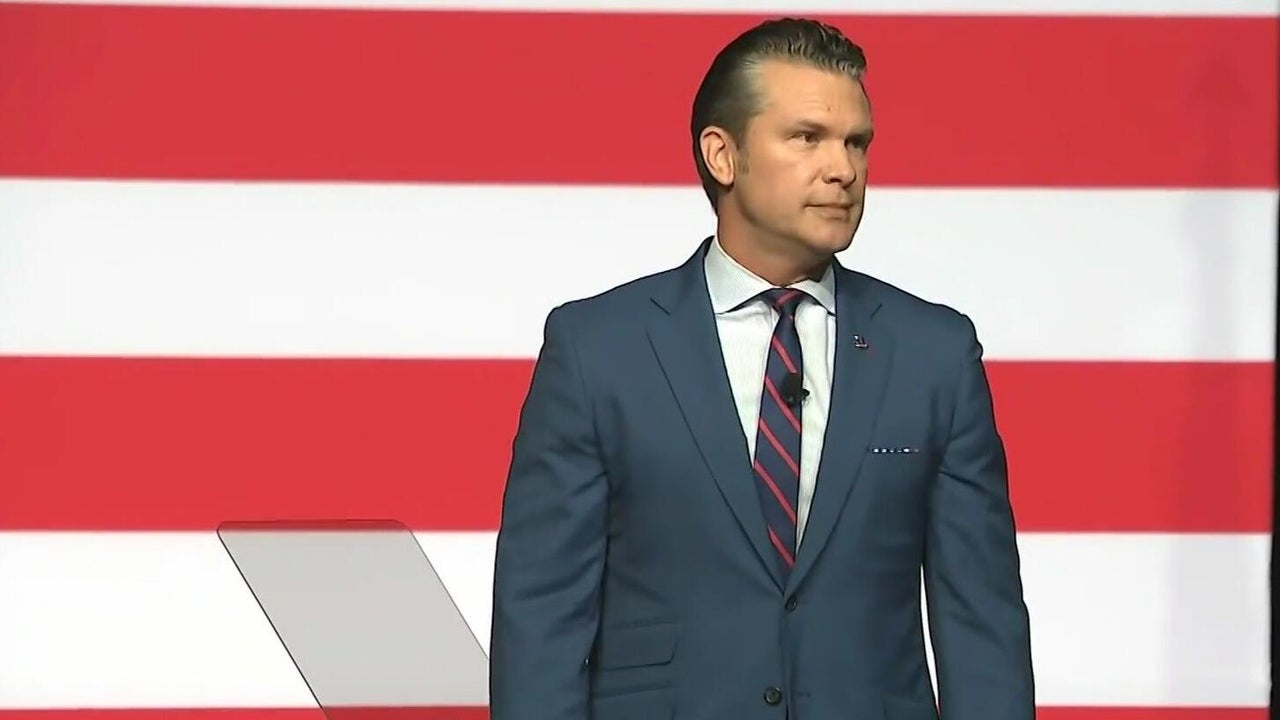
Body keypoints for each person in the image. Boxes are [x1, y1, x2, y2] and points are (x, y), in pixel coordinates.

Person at [489, 16, 1034, 720]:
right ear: (723, 154)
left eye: (857, 142)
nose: (843, 169)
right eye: (807, 137)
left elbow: (982, 626)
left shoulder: (933, 354)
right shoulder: (598, 350)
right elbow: (540, 623)